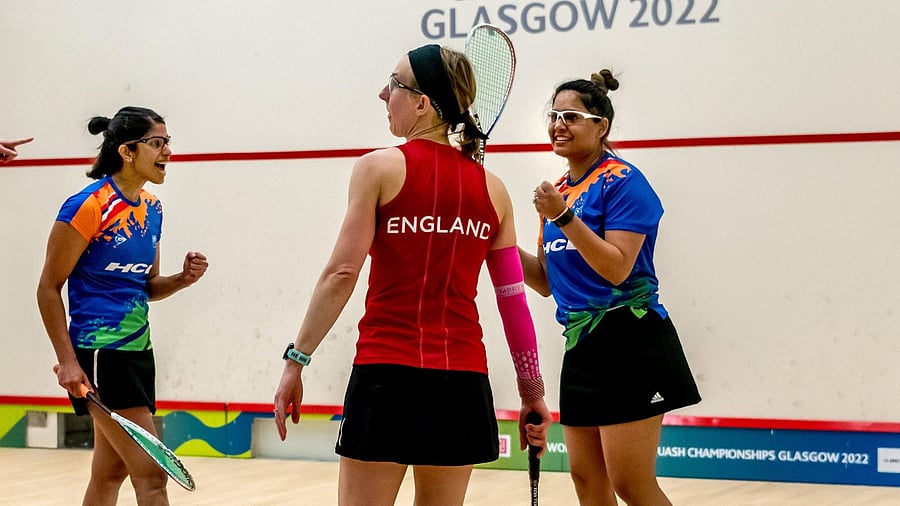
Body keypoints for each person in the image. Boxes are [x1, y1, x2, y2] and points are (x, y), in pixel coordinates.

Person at [274, 44, 552, 506]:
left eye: (395, 84)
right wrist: (532, 391)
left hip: (387, 377)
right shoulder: (494, 190)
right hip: (462, 384)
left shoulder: (377, 168)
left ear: (423, 103)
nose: (383, 93)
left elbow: (342, 272)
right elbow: (512, 300)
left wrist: (295, 361)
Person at [519, 70, 701, 505]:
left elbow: (617, 268)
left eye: (571, 116)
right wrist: (496, 242)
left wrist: (563, 217)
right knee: (587, 480)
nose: (558, 124)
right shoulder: (559, 191)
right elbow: (546, 282)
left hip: (631, 341)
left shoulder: (623, 182)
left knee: (631, 484)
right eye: (553, 115)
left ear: (602, 126)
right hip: (582, 346)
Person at [37, 106, 208, 506]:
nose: (168, 151)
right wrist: (67, 361)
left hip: (138, 352)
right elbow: (48, 288)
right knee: (151, 475)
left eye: (169, 142)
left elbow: (146, 286)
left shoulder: (152, 210)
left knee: (110, 472)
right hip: (99, 354)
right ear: (128, 151)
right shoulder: (87, 207)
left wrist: (181, 280)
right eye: (158, 143)